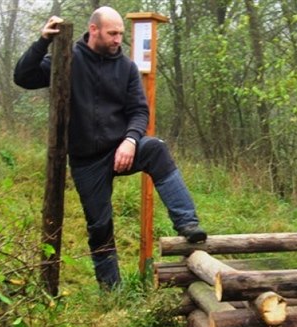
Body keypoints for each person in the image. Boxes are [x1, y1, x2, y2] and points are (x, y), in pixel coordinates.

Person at [14, 7, 207, 289]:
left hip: (121, 148)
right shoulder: (69, 58)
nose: (119, 39)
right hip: (86, 160)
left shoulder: (126, 67)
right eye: (113, 33)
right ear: (94, 30)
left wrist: (130, 140)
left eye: (121, 33)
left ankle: (187, 223)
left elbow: (140, 111)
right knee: (99, 225)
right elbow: (23, 77)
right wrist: (43, 41)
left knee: (156, 148)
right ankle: (111, 289)